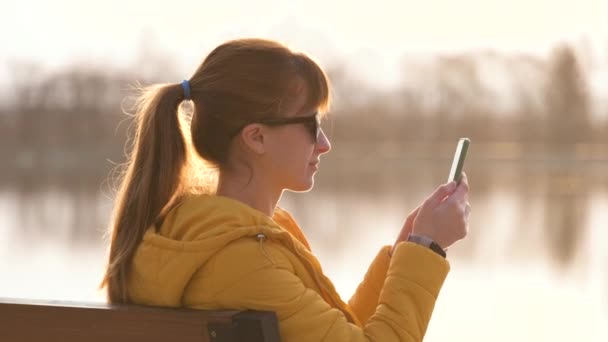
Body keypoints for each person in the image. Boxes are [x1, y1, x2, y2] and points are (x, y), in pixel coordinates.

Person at [100, 38, 470, 341]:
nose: (323, 143)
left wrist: (408, 252)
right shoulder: (245, 259)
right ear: (256, 137)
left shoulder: (187, 237)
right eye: (311, 124)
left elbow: (338, 334)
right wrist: (429, 249)